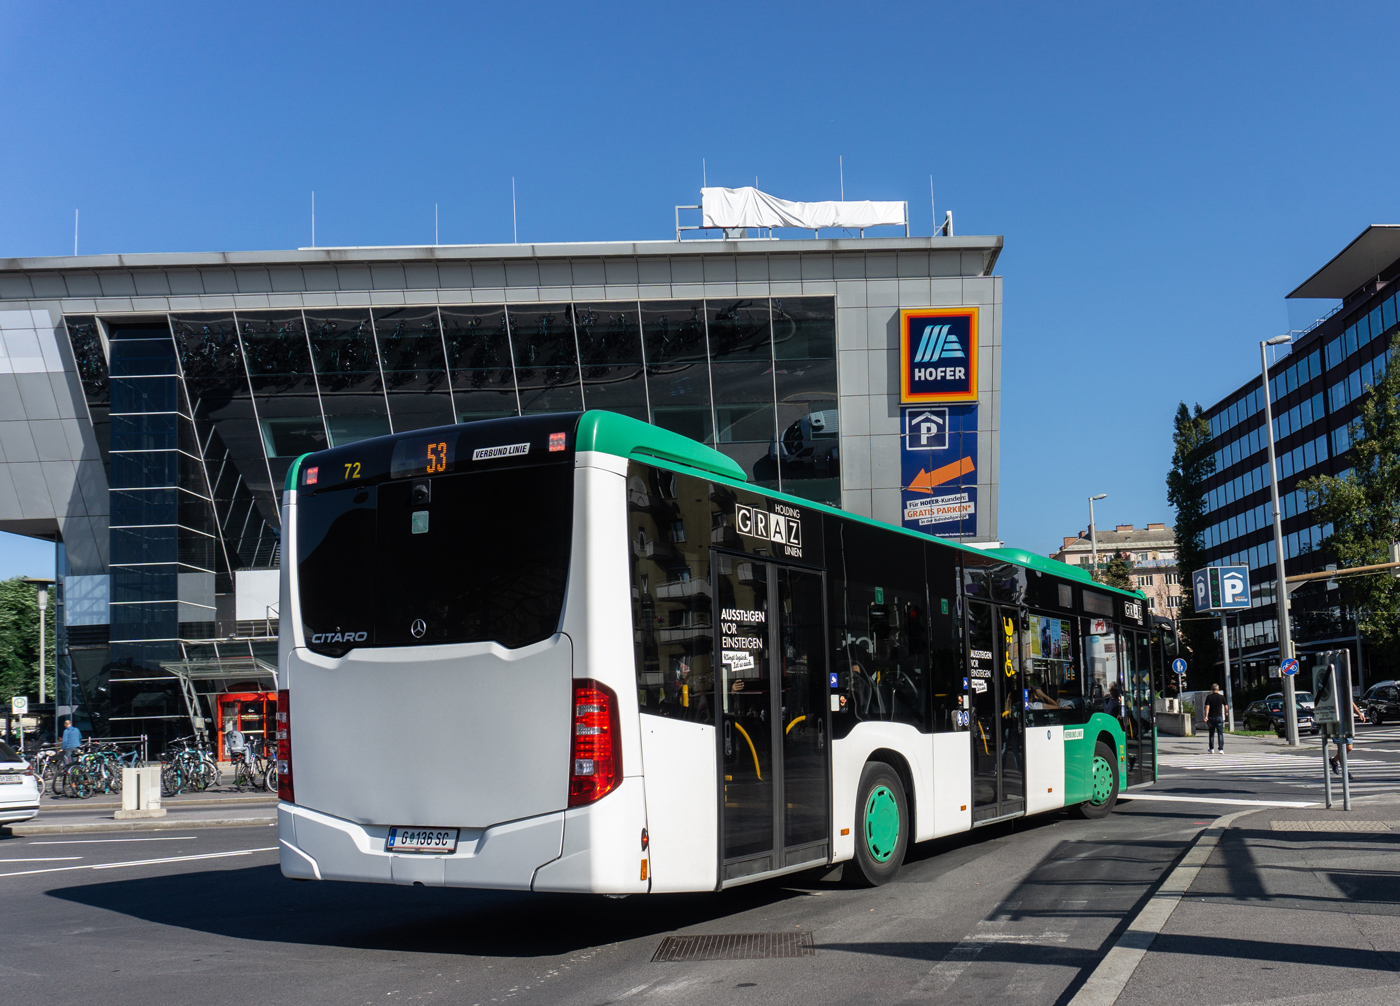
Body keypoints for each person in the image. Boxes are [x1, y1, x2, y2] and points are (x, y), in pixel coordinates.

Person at [1329, 700, 1365, 780]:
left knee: (1349, 747)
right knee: (1341, 749)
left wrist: (1359, 714)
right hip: (1336, 723)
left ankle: (1334, 760)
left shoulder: (1345, 689)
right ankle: (1345, 771)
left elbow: (1350, 702)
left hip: (1346, 723)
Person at [1203, 684, 1228, 753]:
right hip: (1219, 717)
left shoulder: (1209, 697)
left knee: (1211, 733)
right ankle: (1221, 749)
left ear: (1212, 689)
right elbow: (1226, 706)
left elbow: (1207, 707)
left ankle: (1211, 749)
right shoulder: (1221, 697)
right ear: (1218, 689)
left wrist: (1206, 716)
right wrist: (1226, 713)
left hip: (1211, 718)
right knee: (1220, 733)